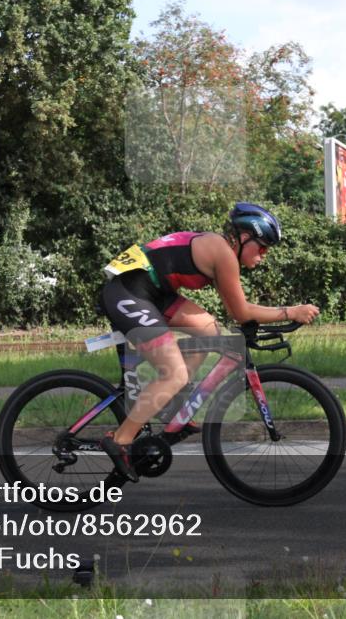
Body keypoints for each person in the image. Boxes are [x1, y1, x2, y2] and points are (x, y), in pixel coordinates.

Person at [98, 202, 320, 481]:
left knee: (211, 335)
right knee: (175, 373)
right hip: (129, 292)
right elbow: (241, 312)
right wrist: (290, 311)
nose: (263, 256)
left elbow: (235, 314)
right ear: (243, 238)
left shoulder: (220, 249)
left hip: (152, 291)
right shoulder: (223, 254)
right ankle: (120, 440)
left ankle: (172, 407)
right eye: (262, 247)